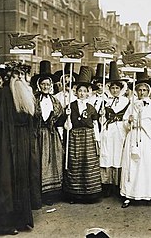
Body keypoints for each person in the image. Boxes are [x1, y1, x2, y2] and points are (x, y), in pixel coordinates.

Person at [0, 63, 35, 235]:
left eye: (21, 76)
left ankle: (21, 220)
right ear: (9, 79)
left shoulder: (26, 94)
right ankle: (4, 224)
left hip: (22, 145)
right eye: (15, 76)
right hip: (4, 144)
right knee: (5, 183)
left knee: (21, 182)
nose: (19, 79)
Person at [120, 69, 151, 208]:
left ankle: (146, 193)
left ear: (149, 91)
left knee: (146, 167)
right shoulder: (132, 105)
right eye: (139, 90)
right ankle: (129, 194)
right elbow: (125, 123)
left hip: (147, 139)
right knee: (132, 166)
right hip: (133, 138)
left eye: (145, 90)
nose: (142, 93)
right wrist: (129, 121)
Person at [62, 66, 102, 204]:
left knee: (88, 163)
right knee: (75, 163)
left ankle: (89, 194)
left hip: (88, 137)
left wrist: (97, 139)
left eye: (85, 91)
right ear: (76, 92)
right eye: (80, 91)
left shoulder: (91, 108)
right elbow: (67, 125)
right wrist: (67, 116)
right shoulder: (70, 106)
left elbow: (95, 124)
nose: (82, 93)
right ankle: (74, 194)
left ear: (88, 93)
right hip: (74, 136)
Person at [33, 61, 64, 206]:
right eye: (43, 84)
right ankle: (38, 193)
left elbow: (60, 119)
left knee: (53, 162)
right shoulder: (33, 100)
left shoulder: (55, 101)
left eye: (48, 84)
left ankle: (51, 194)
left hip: (51, 135)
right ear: (39, 85)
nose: (46, 87)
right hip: (38, 135)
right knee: (39, 162)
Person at [99, 61, 129, 197]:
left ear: (121, 89)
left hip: (120, 131)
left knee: (118, 155)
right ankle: (107, 184)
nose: (115, 90)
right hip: (108, 130)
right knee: (107, 155)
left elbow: (127, 117)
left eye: (117, 88)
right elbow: (101, 119)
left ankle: (117, 184)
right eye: (112, 88)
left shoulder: (126, 101)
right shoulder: (105, 101)